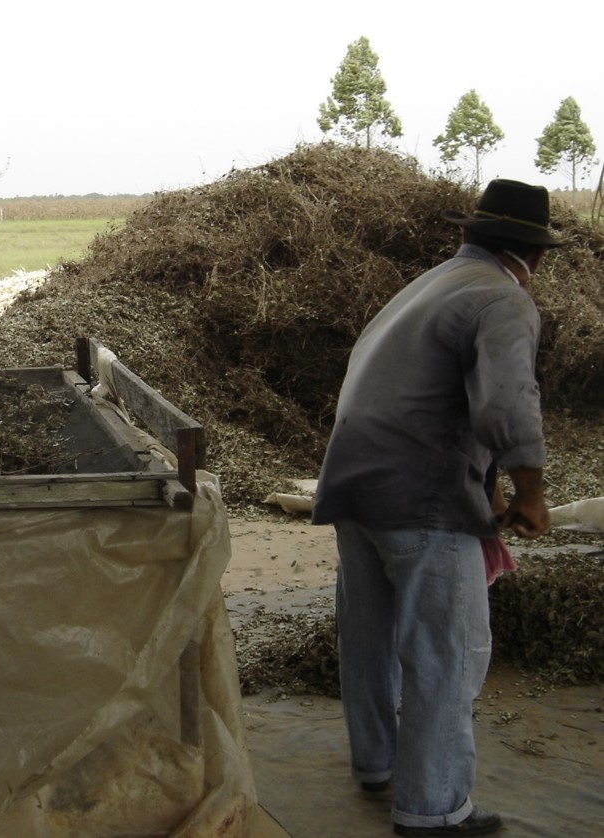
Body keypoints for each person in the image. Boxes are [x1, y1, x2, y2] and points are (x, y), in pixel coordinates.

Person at [311, 179, 560, 836]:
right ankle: (432, 811)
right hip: (419, 496)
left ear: (470, 235)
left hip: (354, 482)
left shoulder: (425, 287)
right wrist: (531, 495)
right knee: (446, 651)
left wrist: (491, 489)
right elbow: (505, 407)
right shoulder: (501, 298)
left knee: (369, 636)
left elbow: (426, 395)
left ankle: (376, 764)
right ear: (532, 256)